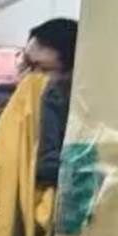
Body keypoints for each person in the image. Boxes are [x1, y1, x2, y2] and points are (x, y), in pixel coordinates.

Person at [22, 18, 78, 185]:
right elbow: (46, 165)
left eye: (43, 68)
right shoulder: (51, 93)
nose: (33, 76)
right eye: (29, 67)